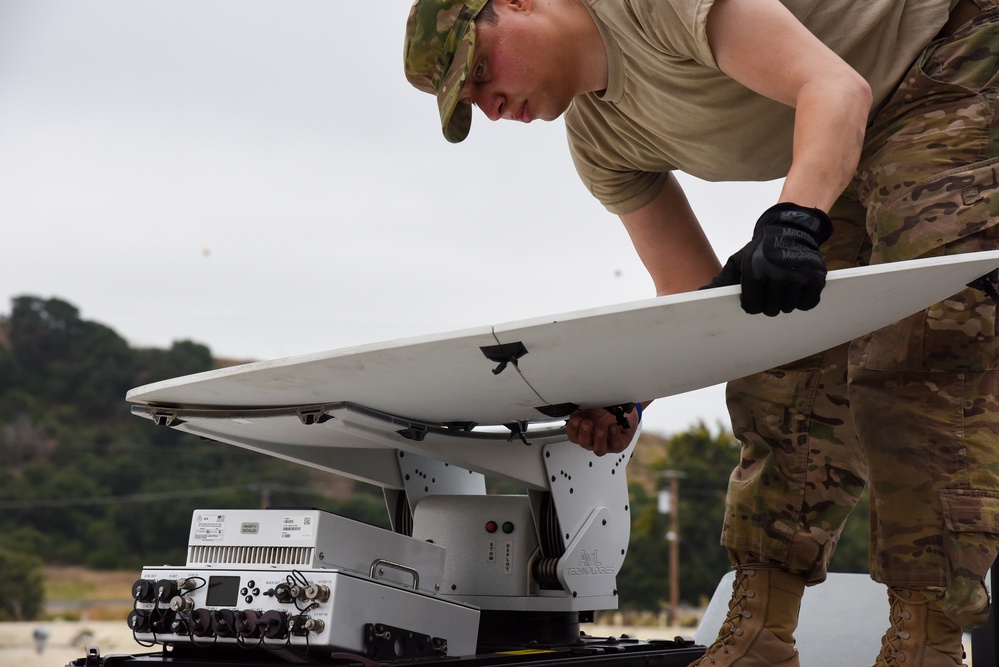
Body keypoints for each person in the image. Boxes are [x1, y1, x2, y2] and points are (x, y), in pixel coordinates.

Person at [403, 1, 999, 665]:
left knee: (926, 345)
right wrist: (629, 394)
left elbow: (834, 87)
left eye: (480, 70)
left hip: (939, 52)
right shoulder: (599, 142)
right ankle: (758, 634)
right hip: (850, 126)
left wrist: (793, 222)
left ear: (517, 3)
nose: (489, 103)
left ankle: (926, 638)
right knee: (774, 362)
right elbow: (690, 296)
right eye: (469, 102)